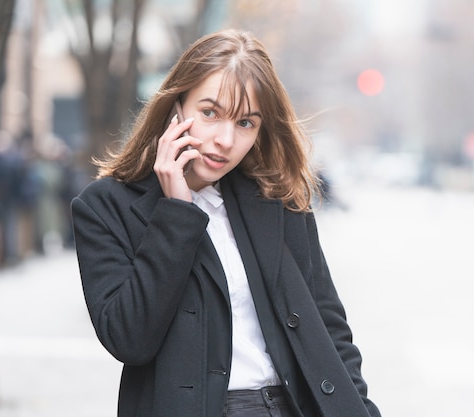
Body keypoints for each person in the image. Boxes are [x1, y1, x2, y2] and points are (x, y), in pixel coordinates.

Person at [71, 29, 381, 417]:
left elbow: (330, 330)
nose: (225, 139)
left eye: (246, 123)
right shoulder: (105, 207)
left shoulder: (275, 198)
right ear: (175, 107)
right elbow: (129, 339)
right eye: (210, 113)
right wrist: (176, 212)